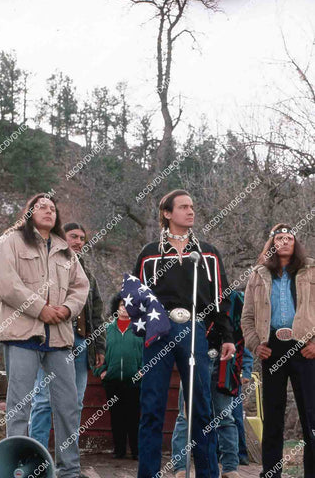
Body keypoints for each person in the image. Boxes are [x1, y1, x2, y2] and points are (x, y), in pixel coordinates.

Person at [134, 189, 235, 478]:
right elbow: (135, 296)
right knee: (152, 405)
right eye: (183, 207)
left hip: (195, 329)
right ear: (167, 214)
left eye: (192, 206)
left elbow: (221, 298)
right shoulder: (150, 253)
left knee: (201, 406)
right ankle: (148, 473)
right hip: (158, 330)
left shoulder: (208, 254)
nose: (191, 211)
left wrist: (226, 336)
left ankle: (207, 473)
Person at [0, 193, 90, 478]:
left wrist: (66, 309)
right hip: (22, 335)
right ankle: (15, 468)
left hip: (60, 339)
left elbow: (80, 287)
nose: (48, 211)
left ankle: (69, 470)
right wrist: (39, 309)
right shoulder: (10, 241)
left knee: (68, 406)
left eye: (52, 208)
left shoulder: (65, 250)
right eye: (41, 207)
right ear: (29, 212)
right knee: (20, 406)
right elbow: (4, 282)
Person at [29, 223, 106, 470]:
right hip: (51, 341)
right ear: (62, 238)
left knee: (75, 403)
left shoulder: (88, 275)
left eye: (82, 238)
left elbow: (97, 313)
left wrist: (99, 348)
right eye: (73, 236)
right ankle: (35, 456)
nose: (78, 241)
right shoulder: (46, 265)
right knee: (43, 400)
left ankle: (68, 463)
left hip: (82, 342)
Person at [241, 223, 315, 478]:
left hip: (305, 348)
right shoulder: (259, 274)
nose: (284, 241)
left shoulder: (311, 269)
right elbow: (247, 317)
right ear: (272, 243)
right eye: (279, 238)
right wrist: (255, 344)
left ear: (296, 243)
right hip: (271, 348)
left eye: (289, 238)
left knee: (311, 414)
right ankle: (271, 472)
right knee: (272, 414)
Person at [172, 291, 242, 478]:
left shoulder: (232, 299)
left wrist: (245, 367)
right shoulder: (189, 292)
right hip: (193, 360)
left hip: (223, 361)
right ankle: (180, 467)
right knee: (185, 416)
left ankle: (230, 468)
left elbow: (239, 332)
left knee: (225, 416)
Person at [93, 293, 143, 459]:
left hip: (134, 382)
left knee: (134, 417)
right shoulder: (107, 329)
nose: (125, 309)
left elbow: (148, 353)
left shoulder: (140, 329)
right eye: (122, 305)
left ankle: (136, 451)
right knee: (116, 417)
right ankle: (119, 450)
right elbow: (96, 353)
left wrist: (142, 371)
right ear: (117, 307)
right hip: (112, 381)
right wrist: (102, 372)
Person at [232, 347, 253, 466]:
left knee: (236, 418)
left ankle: (241, 454)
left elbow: (247, 356)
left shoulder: (233, 333)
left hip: (232, 381)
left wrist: (246, 373)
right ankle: (217, 453)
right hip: (211, 380)